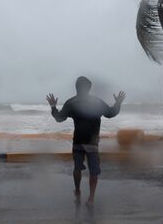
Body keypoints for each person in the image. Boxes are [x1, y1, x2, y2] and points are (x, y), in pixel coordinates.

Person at [46, 76, 125, 206]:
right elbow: (110, 113)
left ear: (76, 88)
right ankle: (91, 199)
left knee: (77, 168)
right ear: (89, 88)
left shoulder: (71, 102)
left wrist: (54, 107)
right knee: (93, 171)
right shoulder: (97, 102)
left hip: (78, 141)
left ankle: (77, 190)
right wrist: (118, 103)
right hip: (92, 142)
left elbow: (59, 118)